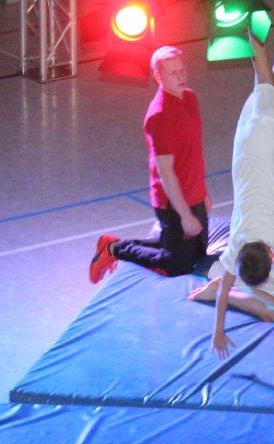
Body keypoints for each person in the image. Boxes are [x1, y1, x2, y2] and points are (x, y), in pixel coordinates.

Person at [208, 16, 274, 359]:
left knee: (268, 86)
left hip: (264, 146)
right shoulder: (238, 239)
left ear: (271, 257)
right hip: (243, 152)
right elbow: (223, 289)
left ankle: (254, 39)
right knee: (271, 94)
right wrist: (218, 331)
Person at [89, 46, 211, 284]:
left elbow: (193, 152)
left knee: (197, 254)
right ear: (158, 77)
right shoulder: (160, 115)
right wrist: (185, 215)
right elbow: (166, 173)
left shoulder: (189, 98)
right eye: (173, 73)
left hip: (193, 192)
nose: (180, 77)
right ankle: (114, 249)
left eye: (182, 70)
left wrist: (202, 192)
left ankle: (163, 240)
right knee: (179, 265)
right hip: (172, 201)